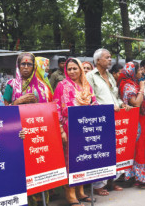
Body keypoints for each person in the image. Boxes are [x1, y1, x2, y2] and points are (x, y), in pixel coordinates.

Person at [53, 58, 97, 206]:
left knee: (83, 158)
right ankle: (70, 193)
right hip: (69, 127)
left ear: (80, 69)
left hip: (85, 127)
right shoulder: (61, 85)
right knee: (70, 160)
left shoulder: (86, 86)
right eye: (69, 69)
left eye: (75, 68)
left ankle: (81, 191)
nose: (72, 71)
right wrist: (61, 130)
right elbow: (57, 108)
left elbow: (94, 103)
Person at [86, 48, 129, 195]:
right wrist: (108, 107)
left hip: (115, 117)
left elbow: (114, 95)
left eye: (110, 57)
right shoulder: (90, 76)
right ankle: (98, 185)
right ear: (98, 60)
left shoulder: (110, 76)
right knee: (102, 151)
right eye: (107, 57)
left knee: (115, 149)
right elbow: (90, 98)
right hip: (100, 118)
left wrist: (121, 103)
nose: (110, 60)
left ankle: (112, 181)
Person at [118, 61, 145, 188]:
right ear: (132, 72)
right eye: (139, 69)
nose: (141, 71)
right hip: (136, 121)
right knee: (140, 148)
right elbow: (136, 103)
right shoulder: (127, 85)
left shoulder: (134, 83)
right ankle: (142, 178)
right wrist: (142, 88)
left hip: (143, 119)